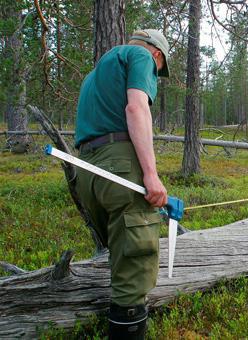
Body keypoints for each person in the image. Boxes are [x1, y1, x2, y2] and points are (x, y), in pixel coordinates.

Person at [74, 29, 172, 339]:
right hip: (119, 163)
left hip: (88, 170)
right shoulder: (141, 56)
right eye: (158, 71)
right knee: (134, 261)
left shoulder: (93, 75)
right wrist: (151, 174)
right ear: (156, 54)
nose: (155, 74)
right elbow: (136, 108)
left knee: (119, 251)